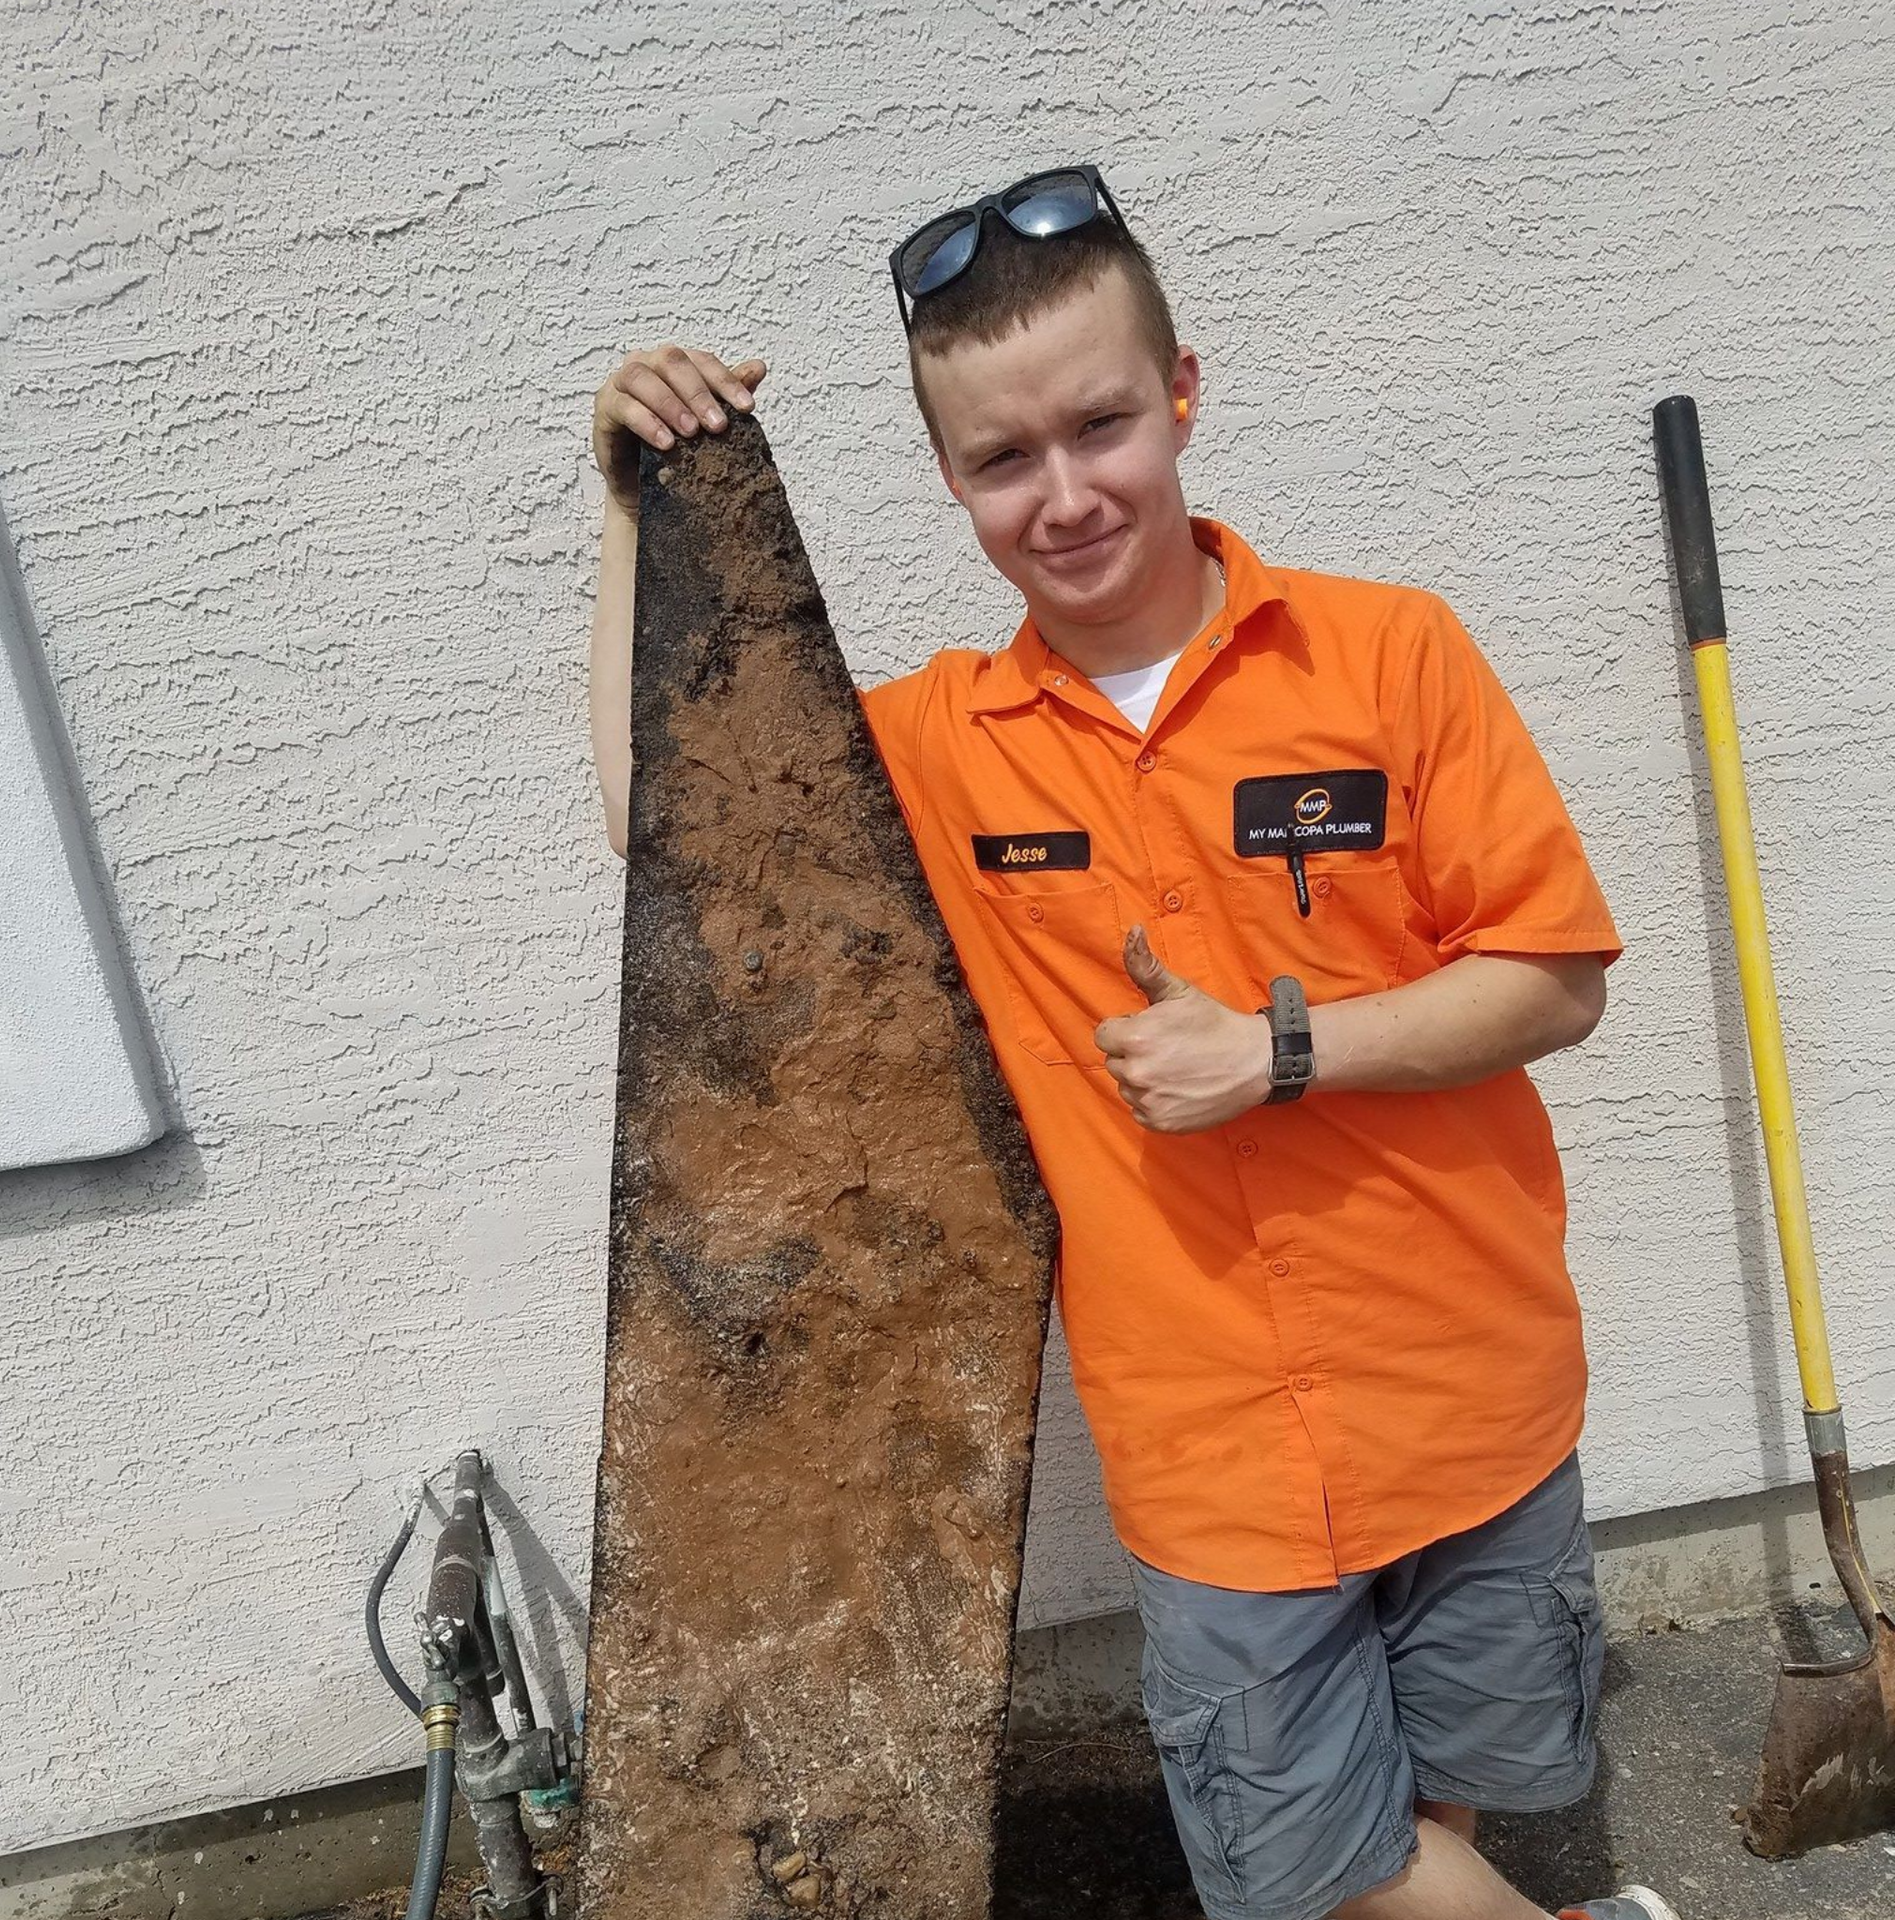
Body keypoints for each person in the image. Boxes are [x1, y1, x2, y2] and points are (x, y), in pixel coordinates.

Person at [586, 166, 1669, 1920]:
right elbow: (671, 829)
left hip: (1475, 1393)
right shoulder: (941, 748)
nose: (1068, 495)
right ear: (950, 480)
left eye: (1100, 425)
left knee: (1442, 1815)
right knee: (1325, 1873)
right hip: (1217, 1458)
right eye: (1005, 458)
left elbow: (1555, 979)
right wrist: (642, 514)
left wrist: (1281, 1049)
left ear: (1180, 393)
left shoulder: (1389, 653)